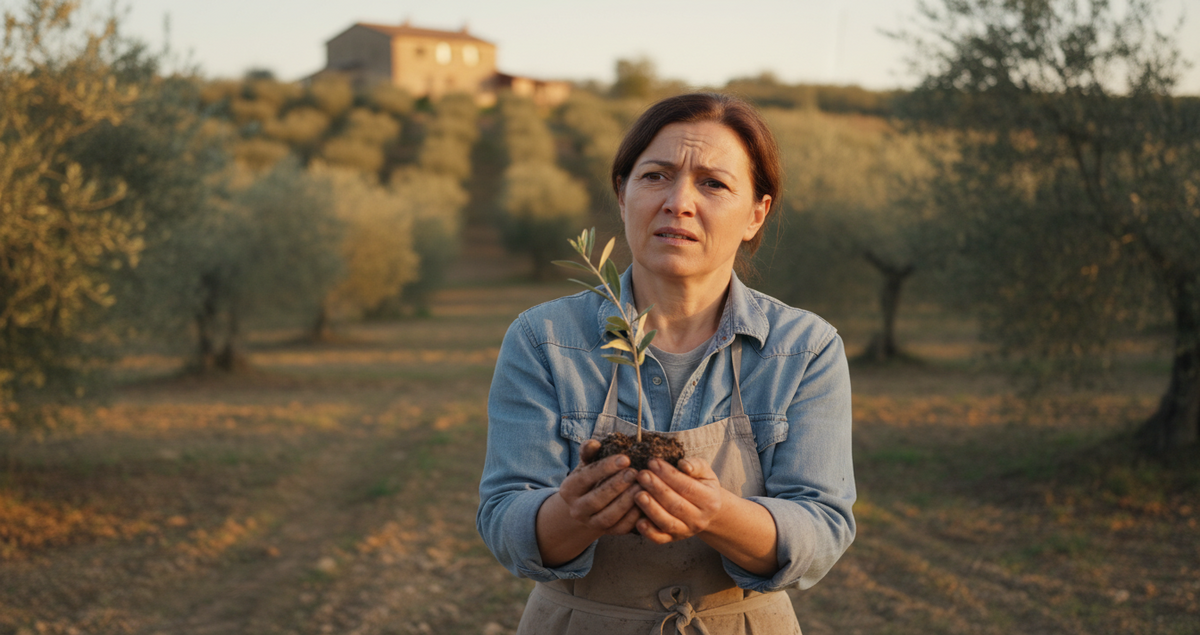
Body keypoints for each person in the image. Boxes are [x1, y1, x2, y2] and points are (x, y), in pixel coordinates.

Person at [477, 92, 855, 634]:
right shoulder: (545, 339)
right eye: (655, 176)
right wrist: (572, 514)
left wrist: (717, 515)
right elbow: (504, 519)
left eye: (713, 183)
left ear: (756, 214)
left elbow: (822, 528)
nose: (679, 202)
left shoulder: (803, 349)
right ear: (623, 194)